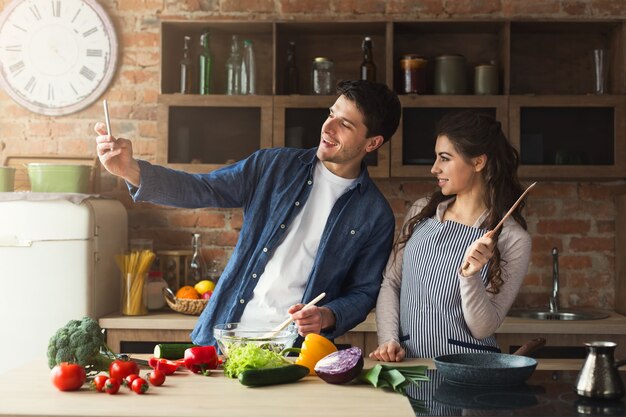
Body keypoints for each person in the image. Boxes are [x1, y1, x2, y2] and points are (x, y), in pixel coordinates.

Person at [95, 80, 401, 346]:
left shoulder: (375, 215)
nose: (328, 127)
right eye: (331, 114)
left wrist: (328, 315)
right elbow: (204, 188)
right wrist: (132, 171)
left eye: (345, 124)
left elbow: (363, 292)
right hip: (223, 339)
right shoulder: (273, 166)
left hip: (294, 350)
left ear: (372, 142)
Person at [369, 110, 531, 362]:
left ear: (478, 162)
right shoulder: (422, 212)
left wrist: (470, 276)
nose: (434, 168)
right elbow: (391, 283)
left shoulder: (512, 238)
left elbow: (483, 327)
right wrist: (389, 340)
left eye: (445, 158)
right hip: (410, 366)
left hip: (470, 371)